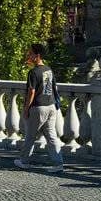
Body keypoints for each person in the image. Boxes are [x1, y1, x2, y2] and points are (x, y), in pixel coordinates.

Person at [13, 42, 64, 173]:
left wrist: (26, 109)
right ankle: (58, 163)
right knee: (51, 136)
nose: (28, 55)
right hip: (51, 105)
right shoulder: (48, 69)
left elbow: (31, 92)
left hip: (38, 107)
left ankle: (24, 161)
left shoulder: (33, 72)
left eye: (30, 53)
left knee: (30, 135)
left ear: (37, 55)